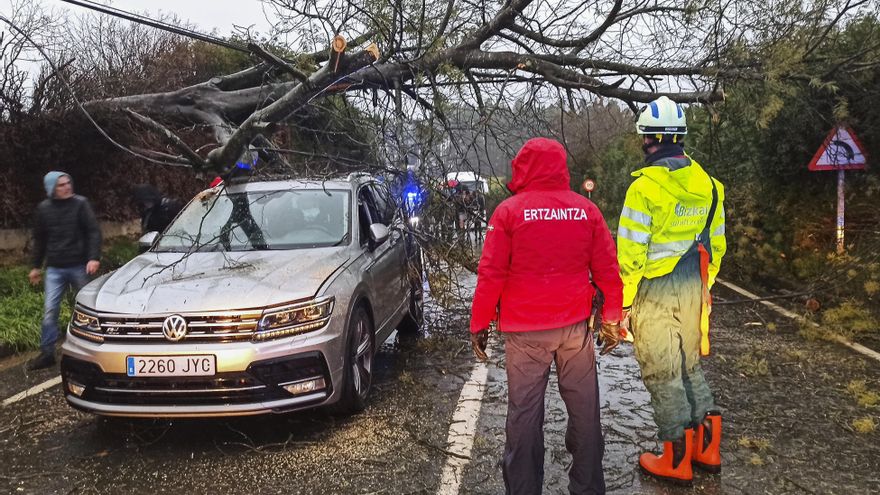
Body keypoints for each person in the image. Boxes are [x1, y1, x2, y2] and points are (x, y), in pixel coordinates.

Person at [470, 138, 624, 495]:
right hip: (574, 329)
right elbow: (608, 271)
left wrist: (479, 324)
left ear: (523, 168)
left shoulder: (508, 212)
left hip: (524, 334)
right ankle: (587, 488)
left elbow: (491, 273)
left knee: (524, 418)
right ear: (560, 167)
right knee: (585, 413)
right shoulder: (586, 211)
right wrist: (612, 319)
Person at [616, 96, 727, 484]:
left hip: (654, 292)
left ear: (646, 140)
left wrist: (624, 306)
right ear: (680, 138)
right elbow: (716, 248)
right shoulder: (712, 187)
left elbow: (630, 255)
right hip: (694, 287)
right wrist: (703, 290)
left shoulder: (644, 189)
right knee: (690, 366)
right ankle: (707, 450)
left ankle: (675, 460)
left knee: (663, 373)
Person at [28, 172, 102, 370]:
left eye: (68, 182)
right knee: (50, 310)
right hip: (54, 268)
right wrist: (35, 266)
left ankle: (91, 350)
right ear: (52, 188)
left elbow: (93, 231)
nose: (67, 186)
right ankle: (47, 353)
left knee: (88, 310)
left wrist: (93, 257)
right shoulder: (44, 209)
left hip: (79, 265)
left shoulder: (81, 204)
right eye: (61, 185)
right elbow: (40, 239)